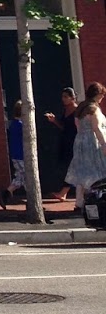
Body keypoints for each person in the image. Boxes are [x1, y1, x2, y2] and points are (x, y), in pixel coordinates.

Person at [66, 82, 106, 215]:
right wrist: (104, 144)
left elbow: (78, 126)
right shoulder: (93, 109)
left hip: (80, 141)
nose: (102, 98)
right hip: (93, 142)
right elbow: (97, 128)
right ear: (97, 94)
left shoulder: (80, 108)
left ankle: (79, 203)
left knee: (82, 172)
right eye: (102, 95)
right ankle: (97, 200)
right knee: (98, 171)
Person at [45, 87, 79, 200]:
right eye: (62, 96)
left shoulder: (77, 111)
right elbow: (63, 127)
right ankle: (65, 192)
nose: (63, 99)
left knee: (73, 167)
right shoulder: (65, 111)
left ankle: (63, 192)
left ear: (72, 98)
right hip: (66, 142)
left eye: (66, 97)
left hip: (75, 142)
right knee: (69, 166)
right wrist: (54, 121)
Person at [0, 100, 26, 208]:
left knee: (20, 176)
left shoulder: (14, 124)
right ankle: (32, 200)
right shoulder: (20, 125)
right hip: (21, 155)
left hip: (16, 154)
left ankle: (7, 193)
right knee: (27, 177)